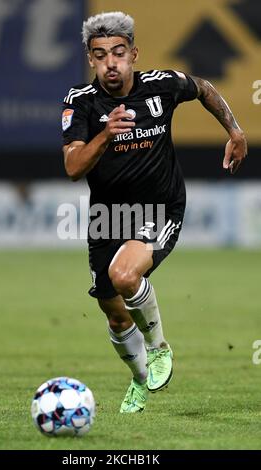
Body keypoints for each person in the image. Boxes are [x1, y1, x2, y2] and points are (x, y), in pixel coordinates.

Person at [62, 11, 247, 413]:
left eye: (119, 52)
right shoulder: (80, 103)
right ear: (90, 59)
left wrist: (234, 131)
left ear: (133, 53)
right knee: (112, 311)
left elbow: (204, 88)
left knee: (125, 275)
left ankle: (159, 348)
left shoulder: (161, 86)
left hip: (160, 206)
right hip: (107, 217)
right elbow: (74, 167)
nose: (111, 63)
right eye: (100, 55)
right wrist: (105, 134)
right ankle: (140, 378)